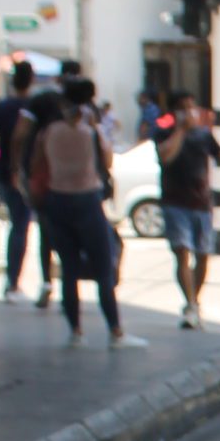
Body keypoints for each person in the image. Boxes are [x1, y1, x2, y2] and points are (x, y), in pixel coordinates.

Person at [30, 78, 143, 348]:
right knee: (104, 268)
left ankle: (75, 332)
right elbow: (107, 160)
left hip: (57, 199)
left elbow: (37, 163)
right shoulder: (89, 130)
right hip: (87, 199)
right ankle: (115, 331)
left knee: (69, 269)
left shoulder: (49, 131)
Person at [156, 92, 220, 329]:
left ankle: (195, 300)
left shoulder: (203, 134)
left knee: (202, 255)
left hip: (201, 202)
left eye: (191, 107)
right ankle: (189, 303)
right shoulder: (164, 131)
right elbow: (165, 157)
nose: (189, 112)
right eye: (182, 108)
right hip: (175, 202)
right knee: (182, 251)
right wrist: (180, 130)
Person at [0, 61, 40, 304]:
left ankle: (13, 280)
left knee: (17, 225)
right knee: (21, 225)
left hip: (3, 172)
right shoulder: (34, 108)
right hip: (28, 172)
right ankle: (15, 281)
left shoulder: (0, 108)